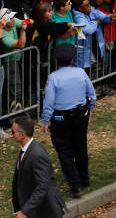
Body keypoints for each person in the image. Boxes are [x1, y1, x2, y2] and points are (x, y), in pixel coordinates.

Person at [41, 43, 96, 198]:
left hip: (60, 118)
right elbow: (92, 93)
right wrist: (90, 109)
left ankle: (75, 185)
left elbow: (49, 103)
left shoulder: (53, 78)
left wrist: (46, 121)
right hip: (80, 116)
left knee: (64, 151)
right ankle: (84, 180)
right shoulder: (80, 73)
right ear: (72, 59)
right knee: (80, 147)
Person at [11, 114, 67, 218]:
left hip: (45, 212)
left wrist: (25, 211)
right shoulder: (27, 150)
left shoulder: (37, 154)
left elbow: (43, 185)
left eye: (13, 132)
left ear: (22, 135)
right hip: (35, 210)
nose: (11, 134)